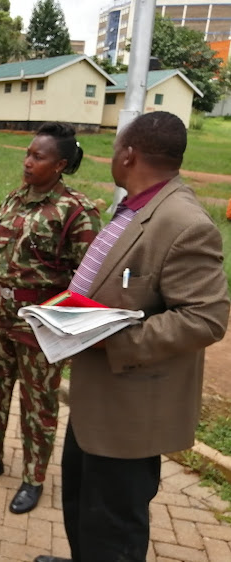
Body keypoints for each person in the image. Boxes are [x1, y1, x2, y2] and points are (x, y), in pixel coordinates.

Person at [34, 112, 229, 562]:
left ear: (128, 154)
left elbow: (206, 318)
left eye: (115, 147)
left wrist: (110, 338)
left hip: (129, 413)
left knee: (114, 529)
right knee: (84, 507)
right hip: (97, 399)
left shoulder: (183, 223)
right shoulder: (137, 206)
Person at [0, 122, 102, 514]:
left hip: (39, 325)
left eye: (37, 157)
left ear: (59, 164)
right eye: (27, 153)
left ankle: (33, 477)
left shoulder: (77, 211)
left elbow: (88, 281)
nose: (27, 162)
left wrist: (57, 326)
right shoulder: (13, 200)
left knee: (39, 403)